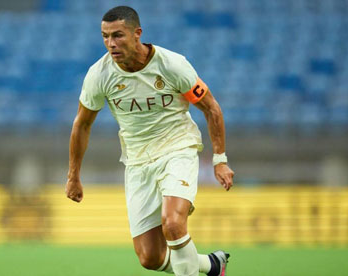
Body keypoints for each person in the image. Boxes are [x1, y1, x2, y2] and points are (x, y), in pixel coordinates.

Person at [66, 6, 234, 276]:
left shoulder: (171, 64)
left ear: (137, 34)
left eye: (118, 35)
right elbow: (82, 124)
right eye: (105, 36)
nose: (111, 43)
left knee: (173, 224)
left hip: (178, 148)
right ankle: (211, 265)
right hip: (137, 161)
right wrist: (73, 175)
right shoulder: (100, 74)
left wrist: (220, 160)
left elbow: (210, 107)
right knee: (150, 257)